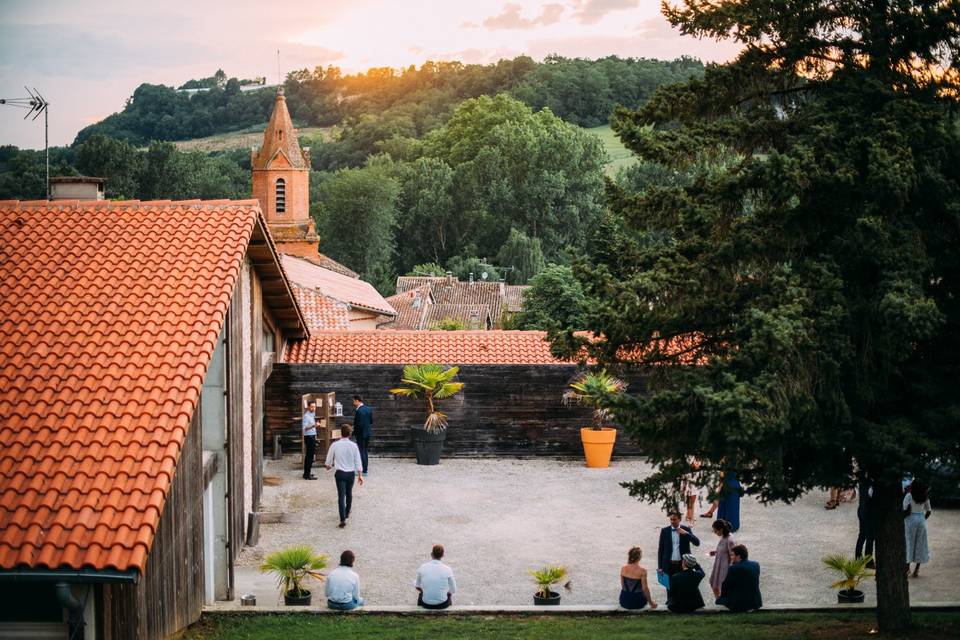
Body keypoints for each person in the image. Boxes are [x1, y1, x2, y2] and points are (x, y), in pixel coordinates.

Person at [324, 424, 363, 528]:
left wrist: (328, 466)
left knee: (341, 496)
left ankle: (342, 519)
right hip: (350, 473)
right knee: (349, 492)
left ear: (341, 433)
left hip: (340, 473)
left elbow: (328, 462)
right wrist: (360, 474)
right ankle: (347, 511)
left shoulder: (335, 445)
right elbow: (358, 461)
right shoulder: (354, 446)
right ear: (350, 434)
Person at [657, 511, 701, 593]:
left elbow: (697, 543)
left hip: (682, 564)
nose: (672, 521)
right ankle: (670, 602)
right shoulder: (665, 531)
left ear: (679, 519)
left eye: (674, 519)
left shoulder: (686, 530)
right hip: (668, 564)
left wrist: (686, 534)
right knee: (669, 587)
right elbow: (661, 550)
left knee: (682, 587)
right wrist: (660, 566)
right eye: (671, 519)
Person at [716, 544, 762, 612]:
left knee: (719, 600)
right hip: (756, 601)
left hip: (741, 603)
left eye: (732, 555)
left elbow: (726, 585)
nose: (731, 557)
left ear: (738, 556)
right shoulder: (756, 565)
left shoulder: (734, 568)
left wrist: (721, 596)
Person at [903, 478, 932, 577]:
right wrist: (922, 519)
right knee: (920, 544)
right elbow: (929, 511)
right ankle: (917, 569)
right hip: (921, 520)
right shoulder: (925, 497)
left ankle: (907, 568)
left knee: (909, 543)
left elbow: (904, 510)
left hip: (910, 520)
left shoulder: (909, 496)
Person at [414, 544, 457, 609]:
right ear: (442, 555)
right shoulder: (448, 569)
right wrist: (447, 593)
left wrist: (424, 591)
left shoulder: (422, 567)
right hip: (442, 605)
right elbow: (453, 589)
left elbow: (417, 586)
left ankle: (419, 615)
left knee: (421, 595)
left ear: (431, 554)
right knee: (448, 596)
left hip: (426, 604)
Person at [708, 519, 736, 597]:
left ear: (721, 529)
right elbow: (723, 549)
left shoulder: (730, 540)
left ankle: (722, 600)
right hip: (718, 564)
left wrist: (731, 569)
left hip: (725, 566)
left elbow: (733, 555)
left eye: (716, 531)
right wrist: (715, 552)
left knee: (722, 585)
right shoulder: (723, 536)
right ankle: (719, 600)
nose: (715, 533)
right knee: (713, 583)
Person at [855, 475, 875, 567]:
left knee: (862, 534)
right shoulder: (872, 485)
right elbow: (871, 496)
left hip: (861, 509)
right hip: (869, 512)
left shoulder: (862, 481)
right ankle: (868, 561)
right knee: (870, 536)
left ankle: (858, 557)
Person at [353, 395, 373, 475]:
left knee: (361, 451)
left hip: (361, 434)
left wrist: (354, 432)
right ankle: (365, 469)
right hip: (367, 433)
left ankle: (363, 470)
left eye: (354, 401)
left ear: (357, 401)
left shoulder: (359, 411)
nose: (353, 403)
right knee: (364, 451)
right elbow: (371, 421)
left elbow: (358, 425)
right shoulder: (369, 409)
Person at [681, 458, 701, 524]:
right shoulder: (687, 470)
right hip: (688, 486)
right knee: (690, 500)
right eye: (696, 463)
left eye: (698, 463)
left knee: (693, 500)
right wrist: (683, 488)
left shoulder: (698, 470)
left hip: (695, 486)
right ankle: (689, 516)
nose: (698, 464)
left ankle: (690, 516)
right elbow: (683, 479)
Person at [302, 400, 318, 480]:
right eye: (312, 406)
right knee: (309, 456)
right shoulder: (306, 416)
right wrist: (314, 425)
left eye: (315, 406)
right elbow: (304, 428)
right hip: (309, 437)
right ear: (308, 407)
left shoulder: (312, 414)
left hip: (312, 436)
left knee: (310, 456)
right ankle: (306, 475)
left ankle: (307, 473)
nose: (314, 408)